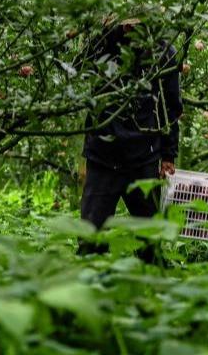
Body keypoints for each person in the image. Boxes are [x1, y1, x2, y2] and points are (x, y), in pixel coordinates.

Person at [76, 18, 182, 258]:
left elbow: (171, 106)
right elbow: (77, 70)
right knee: (91, 238)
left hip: (143, 155)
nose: (131, 28)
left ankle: (147, 288)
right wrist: (96, 29)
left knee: (149, 240)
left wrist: (168, 154)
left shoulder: (163, 51)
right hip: (103, 153)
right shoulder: (102, 43)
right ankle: (91, 286)